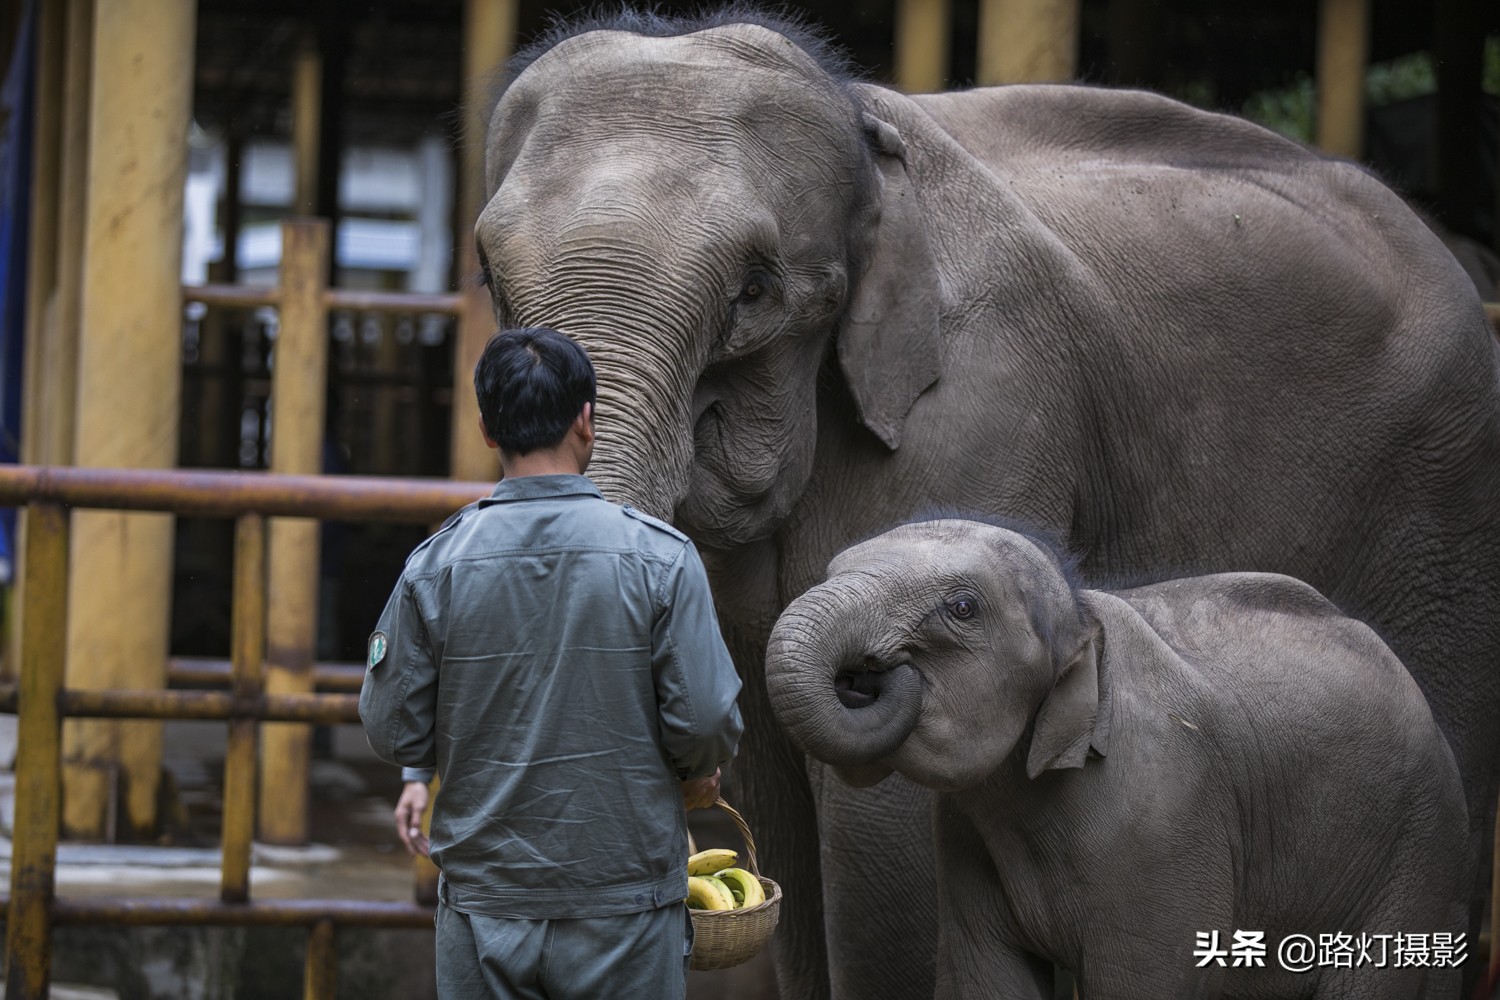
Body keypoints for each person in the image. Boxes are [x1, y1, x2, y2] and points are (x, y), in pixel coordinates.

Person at [359, 326, 743, 998]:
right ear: (586, 421)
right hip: (625, 905)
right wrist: (693, 770)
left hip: (485, 908)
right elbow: (706, 718)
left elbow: (393, 730)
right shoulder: (662, 558)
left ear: (486, 428)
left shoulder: (435, 567)